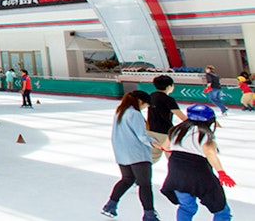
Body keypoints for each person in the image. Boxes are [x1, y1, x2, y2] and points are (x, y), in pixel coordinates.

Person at [158, 104, 235, 221]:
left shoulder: (176, 130)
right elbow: (210, 153)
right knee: (222, 211)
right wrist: (222, 173)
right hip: (200, 174)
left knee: (186, 208)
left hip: (177, 174)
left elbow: (165, 147)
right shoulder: (206, 134)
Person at [100, 91, 159, 220]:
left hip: (122, 153)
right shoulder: (135, 114)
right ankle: (149, 214)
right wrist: (158, 144)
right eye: (146, 105)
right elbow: (142, 136)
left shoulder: (120, 112)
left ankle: (111, 205)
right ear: (140, 101)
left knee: (127, 179)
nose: (146, 107)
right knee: (145, 184)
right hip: (138, 155)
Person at [149, 75, 187, 163]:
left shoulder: (152, 96)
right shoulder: (168, 99)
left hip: (151, 130)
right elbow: (181, 116)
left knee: (151, 158)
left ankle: (138, 174)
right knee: (171, 157)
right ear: (169, 86)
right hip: (164, 132)